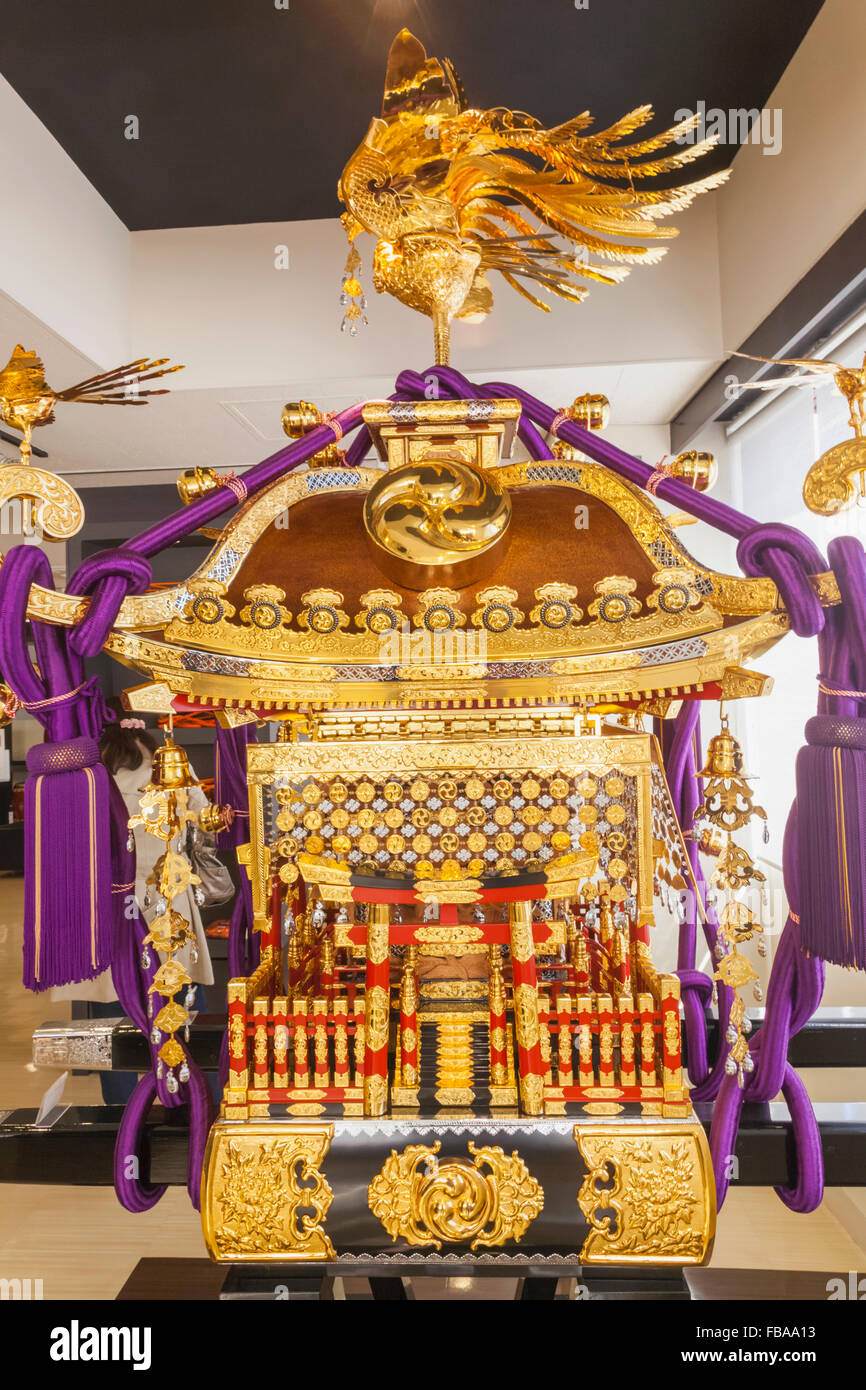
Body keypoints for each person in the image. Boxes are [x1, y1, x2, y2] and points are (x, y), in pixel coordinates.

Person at [52, 704, 215, 1103]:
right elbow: (203, 815)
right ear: (147, 741)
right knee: (186, 1000)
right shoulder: (170, 765)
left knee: (113, 1009)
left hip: (108, 904)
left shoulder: (90, 773)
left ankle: (123, 1108)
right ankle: (202, 1095)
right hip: (168, 897)